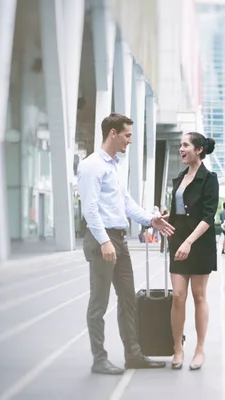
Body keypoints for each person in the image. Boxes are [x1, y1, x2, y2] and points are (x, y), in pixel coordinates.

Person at [77, 112, 175, 375]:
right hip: (103, 241)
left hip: (119, 240)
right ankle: (100, 359)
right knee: (99, 303)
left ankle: (133, 354)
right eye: (127, 135)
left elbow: (126, 203)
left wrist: (150, 219)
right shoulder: (91, 166)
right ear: (113, 133)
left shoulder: (115, 166)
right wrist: (104, 241)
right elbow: (90, 209)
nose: (130, 140)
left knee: (129, 300)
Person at [167, 131, 219, 370]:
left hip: (199, 243)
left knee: (199, 296)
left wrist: (189, 241)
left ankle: (199, 350)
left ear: (199, 150)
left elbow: (208, 216)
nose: (181, 149)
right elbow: (179, 213)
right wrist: (162, 219)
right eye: (180, 145)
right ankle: (177, 348)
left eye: (185, 145)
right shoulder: (179, 177)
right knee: (178, 297)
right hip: (178, 240)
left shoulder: (209, 179)